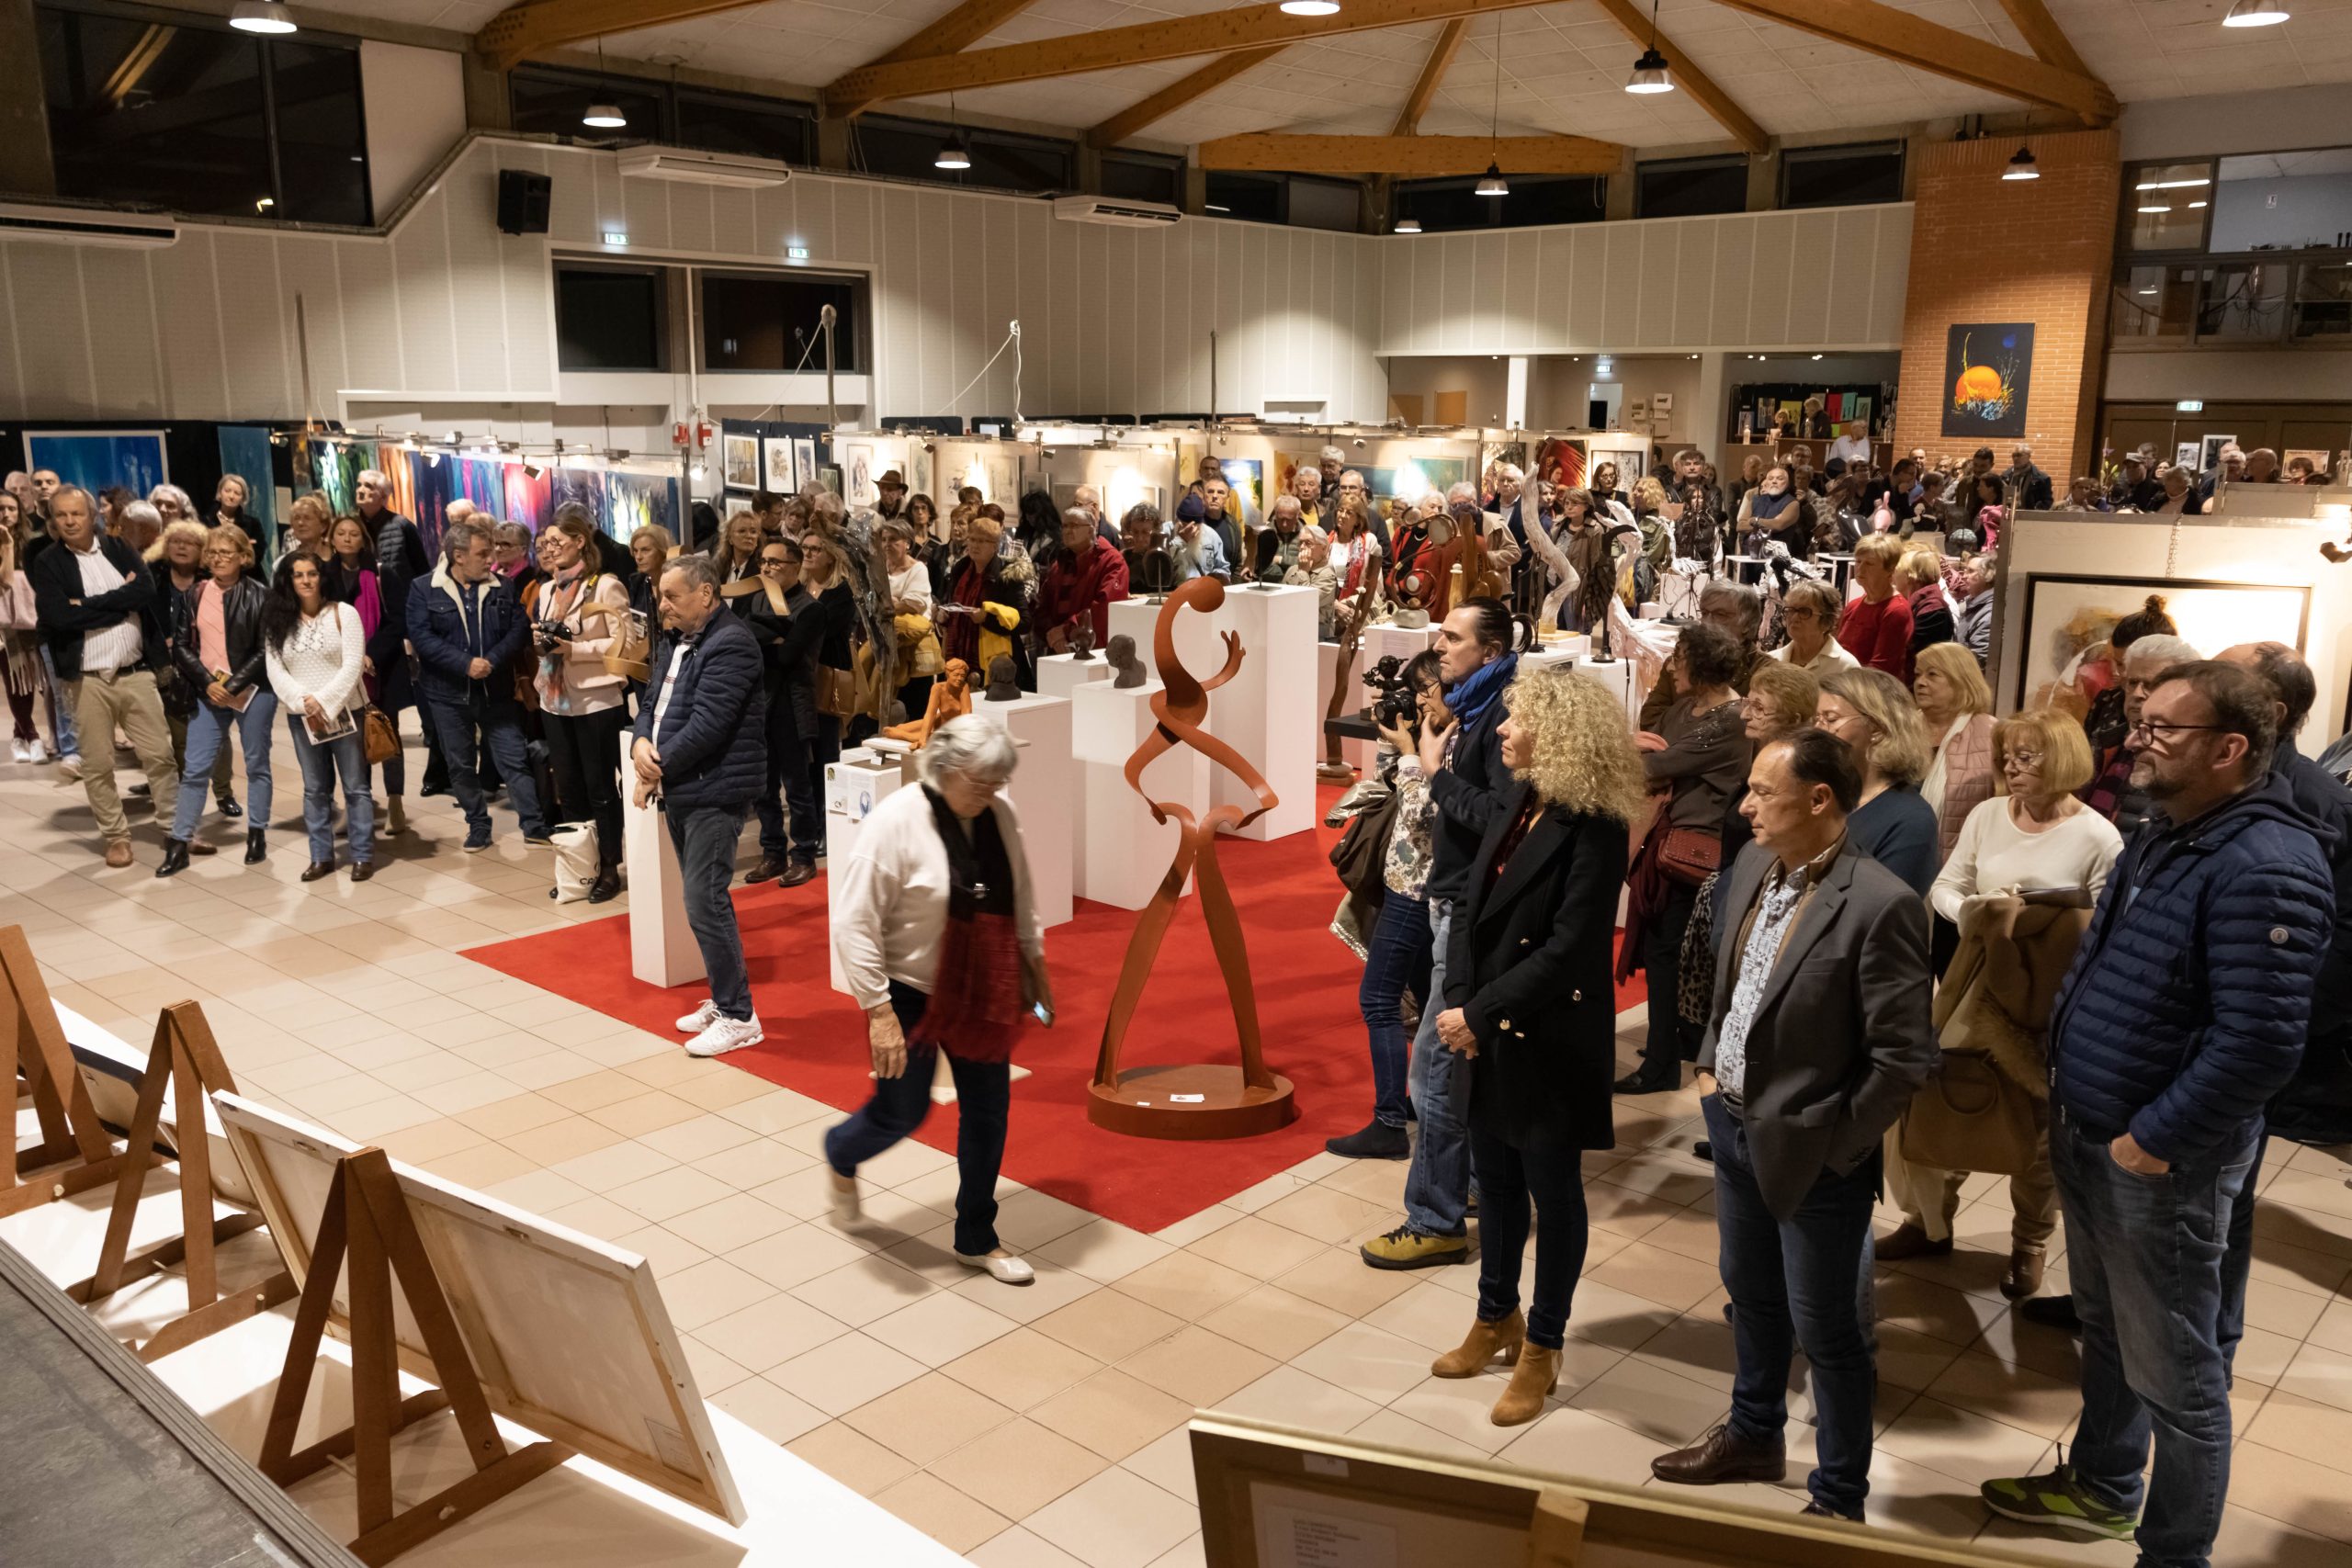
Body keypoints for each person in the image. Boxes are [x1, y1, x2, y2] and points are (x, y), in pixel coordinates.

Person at [1981, 663, 2331, 1567]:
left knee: (2178, 1375)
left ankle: (2174, 1553)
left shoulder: (2267, 863)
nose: (2136, 736)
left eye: (2163, 728)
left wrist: (2153, 1140)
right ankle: (2101, 1485)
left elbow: (2259, 1044)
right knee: (2109, 1333)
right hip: (2095, 1130)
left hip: (2158, 1157)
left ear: (2230, 749)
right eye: (2142, 720)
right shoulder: (2168, 831)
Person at [1652, 728, 1933, 1522]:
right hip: (1733, 1125)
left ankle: (1839, 1497)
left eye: (1760, 792)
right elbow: (1730, 983)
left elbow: (1904, 1056)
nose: (1744, 806)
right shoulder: (1750, 864)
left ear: (1819, 799)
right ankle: (1753, 1434)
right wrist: (1710, 1070)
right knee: (1750, 1295)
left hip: (1817, 1151)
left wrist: (1839, 1146)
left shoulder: (1880, 902)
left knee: (1829, 1331)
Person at [1428, 667, 1645, 1426]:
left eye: (1517, 720)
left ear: (1558, 735)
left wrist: (1481, 1013)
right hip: (1487, 1024)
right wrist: (1459, 999)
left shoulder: (1596, 824)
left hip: (1546, 1032)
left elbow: (1570, 947)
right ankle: (1496, 1316)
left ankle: (1543, 1344)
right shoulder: (1518, 797)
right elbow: (1470, 903)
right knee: (1495, 1183)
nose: (1503, 730)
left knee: (1552, 1191)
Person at [1883, 709, 2120, 1292]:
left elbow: (2107, 927)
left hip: (2048, 995)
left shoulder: (2098, 836)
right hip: (1973, 979)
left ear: (2062, 758)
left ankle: (2029, 1243)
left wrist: (2036, 923)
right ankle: (1929, 1223)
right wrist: (1977, 914)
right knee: (1951, 1094)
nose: (2012, 768)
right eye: (2007, 757)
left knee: (2035, 1122)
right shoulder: (1988, 815)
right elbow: (1946, 886)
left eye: (2027, 757)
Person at [825, 715, 1051, 1282]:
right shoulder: (896, 822)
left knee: (988, 1111)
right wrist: (878, 1011)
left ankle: (977, 1236)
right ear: (945, 769)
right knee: (902, 1111)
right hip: (906, 990)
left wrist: (1033, 963)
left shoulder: (999, 814)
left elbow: (1021, 893)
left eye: (998, 782)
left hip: (980, 985)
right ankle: (842, 1152)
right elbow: (853, 922)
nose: (991, 792)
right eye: (980, 782)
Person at [1362, 599, 1522, 1269]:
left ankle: (1434, 1218)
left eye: (1454, 637)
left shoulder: (1500, 714)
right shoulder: (1473, 707)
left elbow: (1498, 815)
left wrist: (1433, 769)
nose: (1440, 644)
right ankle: (1473, 1185)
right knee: (1457, 1062)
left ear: (1491, 651)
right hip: (1454, 900)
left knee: (1434, 1065)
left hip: (1465, 907)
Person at [635, 554, 767, 1058]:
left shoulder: (732, 642)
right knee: (702, 904)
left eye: (672, 596)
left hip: (715, 790)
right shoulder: (677, 639)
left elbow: (709, 726)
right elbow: (651, 703)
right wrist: (639, 742)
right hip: (684, 786)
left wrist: (654, 768)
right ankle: (723, 999)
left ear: (706, 594)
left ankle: (740, 1017)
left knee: (704, 901)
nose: (663, 605)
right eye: (660, 596)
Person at [1614, 623, 1751, 1095]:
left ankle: (1660, 1066)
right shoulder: (1683, 707)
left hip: (1691, 852)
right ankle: (1677, 1043)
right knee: (1668, 953)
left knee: (1666, 955)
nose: (1673, 665)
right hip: (1664, 841)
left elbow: (1655, 762)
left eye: (1680, 656)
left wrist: (1640, 757)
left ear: (1702, 664)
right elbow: (1651, 748)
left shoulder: (1731, 720)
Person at [1329, 651, 1448, 1160]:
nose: (1417, 699)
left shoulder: (1451, 740)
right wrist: (1396, 744)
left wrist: (1409, 753)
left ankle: (1388, 1124)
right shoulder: (1431, 732)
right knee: (1425, 997)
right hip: (1409, 880)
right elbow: (1391, 789)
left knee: (1379, 1000)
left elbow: (1423, 814)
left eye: (1424, 689)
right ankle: (1418, 1098)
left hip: (1418, 887)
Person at [29, 486, 182, 868]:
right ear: (53, 520)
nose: (69, 521)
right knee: (97, 765)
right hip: (86, 679)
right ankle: (116, 837)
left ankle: (175, 828)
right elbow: (58, 617)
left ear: (92, 515)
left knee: (160, 756)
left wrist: (86, 605)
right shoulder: (48, 562)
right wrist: (119, 603)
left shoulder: (118, 548)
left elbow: (144, 591)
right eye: (61, 515)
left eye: (76, 513)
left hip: (136, 673)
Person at [407, 518, 548, 852]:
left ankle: (534, 825)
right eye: (483, 553)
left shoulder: (503, 587)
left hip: (495, 692)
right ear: (458, 556)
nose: (491, 559)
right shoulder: (424, 588)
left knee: (514, 759)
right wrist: (465, 664)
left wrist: (491, 661)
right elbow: (422, 637)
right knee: (461, 765)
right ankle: (478, 826)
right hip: (447, 695)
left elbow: (517, 630)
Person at [531, 512, 633, 904]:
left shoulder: (605, 585)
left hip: (596, 699)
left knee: (601, 787)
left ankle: (609, 867)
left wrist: (575, 649)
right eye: (546, 543)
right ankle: (580, 868)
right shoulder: (546, 590)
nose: (550, 549)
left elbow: (623, 644)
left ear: (579, 542)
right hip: (555, 700)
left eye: (558, 541)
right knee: (569, 789)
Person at [159, 527, 275, 874]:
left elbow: (264, 649)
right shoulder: (194, 594)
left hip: (253, 690)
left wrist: (234, 684)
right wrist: (209, 683)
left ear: (243, 556)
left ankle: (257, 834)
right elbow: (181, 646)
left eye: (226, 553)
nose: (218, 559)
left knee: (256, 764)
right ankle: (179, 843)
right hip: (207, 691)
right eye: (213, 553)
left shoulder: (261, 595)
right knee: (195, 768)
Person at [261, 553, 375, 883]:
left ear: (321, 577)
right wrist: (304, 703)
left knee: (356, 787)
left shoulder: (344, 613)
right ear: (288, 580)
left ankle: (362, 854)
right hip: (303, 717)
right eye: (298, 575)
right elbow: (275, 670)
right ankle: (321, 856)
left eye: (312, 573)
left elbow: (353, 665)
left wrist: (323, 702)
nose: (306, 581)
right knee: (314, 789)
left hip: (345, 712)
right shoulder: (277, 620)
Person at [145, 519, 240, 822]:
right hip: (167, 668)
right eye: (176, 541)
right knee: (178, 736)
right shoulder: (154, 580)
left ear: (203, 550)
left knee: (218, 733)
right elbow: (145, 622)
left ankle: (224, 791)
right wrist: (163, 643)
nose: (182, 547)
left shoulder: (212, 582)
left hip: (209, 667)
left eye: (190, 543)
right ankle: (187, 792)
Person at [1815, 668, 1939, 896]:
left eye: (1831, 719)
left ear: (1877, 729)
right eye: (1817, 719)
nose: (1818, 729)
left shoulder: (1911, 821)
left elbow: (1883, 908)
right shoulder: (1821, 796)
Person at [743, 538, 823, 888]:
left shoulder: (811, 608)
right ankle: (773, 852)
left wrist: (768, 639)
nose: (766, 567)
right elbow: (744, 646)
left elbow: (789, 656)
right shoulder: (757, 599)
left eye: (775, 562)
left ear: (796, 566)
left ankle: (804, 855)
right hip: (760, 700)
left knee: (796, 785)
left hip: (792, 702)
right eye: (763, 561)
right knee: (763, 786)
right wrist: (777, 636)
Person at [1914, 642, 1997, 865]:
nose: (1920, 682)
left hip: (1960, 863)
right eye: (1918, 674)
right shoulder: (1902, 728)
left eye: (1932, 674)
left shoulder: (1991, 733)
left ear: (1961, 680)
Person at [1639, 580, 1763, 728]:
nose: (1707, 622)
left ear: (1747, 624)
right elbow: (1650, 717)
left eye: (1720, 615)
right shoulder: (1680, 662)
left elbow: (1761, 728)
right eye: (1704, 613)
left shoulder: (1764, 671)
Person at [940, 513, 1030, 690]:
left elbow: (1025, 623)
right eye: (972, 539)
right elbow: (954, 607)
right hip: (959, 655)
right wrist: (943, 616)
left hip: (994, 662)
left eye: (981, 541)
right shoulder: (960, 569)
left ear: (995, 546)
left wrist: (986, 620)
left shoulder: (1008, 574)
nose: (974, 545)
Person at [1035, 505, 1128, 654]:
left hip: (1094, 650)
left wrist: (1066, 630)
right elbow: (1042, 606)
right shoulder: (1059, 564)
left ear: (1091, 530)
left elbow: (1105, 608)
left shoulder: (1112, 561)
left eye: (1074, 525)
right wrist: (1053, 635)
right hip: (1058, 650)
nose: (1067, 531)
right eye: (1065, 526)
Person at [1836, 534, 1912, 679]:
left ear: (1890, 570)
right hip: (1845, 682)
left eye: (1869, 563)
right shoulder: (1853, 605)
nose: (1860, 568)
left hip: (1873, 688)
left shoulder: (1896, 610)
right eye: (1858, 561)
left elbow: (1880, 668)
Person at [1767, 578, 1857, 677]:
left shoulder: (1846, 667)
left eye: (1804, 612)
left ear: (1827, 620)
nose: (1794, 618)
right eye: (1791, 610)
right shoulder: (1771, 661)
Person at [1736, 466, 1812, 559]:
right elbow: (1740, 526)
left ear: (1788, 483)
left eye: (1779, 478)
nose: (1774, 481)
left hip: (1776, 559)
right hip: (1750, 557)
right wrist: (1769, 523)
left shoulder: (1792, 503)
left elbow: (1778, 525)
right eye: (1771, 478)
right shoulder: (1754, 501)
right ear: (1766, 482)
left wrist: (1754, 521)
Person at [1951, 554, 1994, 667]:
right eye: (1965, 570)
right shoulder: (1971, 602)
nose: (1964, 576)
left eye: (1970, 571)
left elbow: (1977, 659)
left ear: (1988, 576)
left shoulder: (1989, 613)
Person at [212, 474, 266, 552]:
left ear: (243, 498)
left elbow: (259, 551)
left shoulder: (253, 524)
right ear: (220, 493)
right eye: (227, 491)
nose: (231, 496)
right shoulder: (205, 521)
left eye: (237, 493)